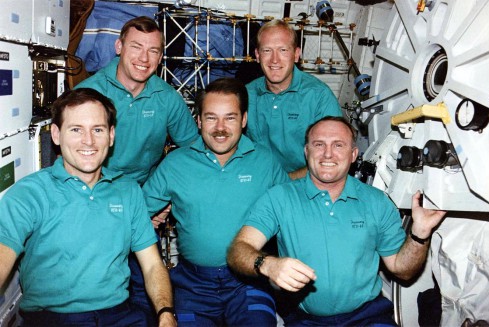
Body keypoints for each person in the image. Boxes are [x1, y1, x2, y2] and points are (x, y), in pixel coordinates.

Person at [227, 116, 447, 326]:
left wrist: (420, 234)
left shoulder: (377, 202)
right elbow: (238, 250)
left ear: (353, 155)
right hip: (304, 319)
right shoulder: (279, 198)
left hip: (368, 317)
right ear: (306, 152)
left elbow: (402, 269)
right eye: (319, 144)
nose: (328, 154)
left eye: (338, 145)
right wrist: (267, 264)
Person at [0, 88, 176, 327]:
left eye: (98, 130)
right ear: (55, 134)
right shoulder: (30, 193)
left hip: (121, 315)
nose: (89, 141)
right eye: (76, 130)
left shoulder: (128, 190)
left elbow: (153, 264)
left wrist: (165, 313)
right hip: (54, 319)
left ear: (111, 136)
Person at [75, 16, 198, 320]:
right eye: (136, 47)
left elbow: (193, 152)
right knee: (93, 287)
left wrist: (164, 199)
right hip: (94, 199)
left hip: (144, 202)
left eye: (154, 51)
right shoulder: (89, 93)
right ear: (119, 46)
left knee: (147, 291)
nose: (144, 59)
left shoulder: (166, 98)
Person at [141, 78, 290, 326]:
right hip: (193, 284)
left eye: (230, 118)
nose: (220, 127)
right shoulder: (176, 164)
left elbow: (295, 215)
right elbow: (135, 215)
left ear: (243, 120)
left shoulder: (265, 162)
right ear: (198, 121)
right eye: (211, 118)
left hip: (249, 283)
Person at [246, 19, 343, 180]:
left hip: (306, 182)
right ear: (257, 55)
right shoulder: (247, 94)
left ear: (296, 54)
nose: (274, 60)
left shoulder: (318, 96)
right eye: (267, 50)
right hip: (259, 180)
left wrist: (286, 181)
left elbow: (334, 157)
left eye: (283, 50)